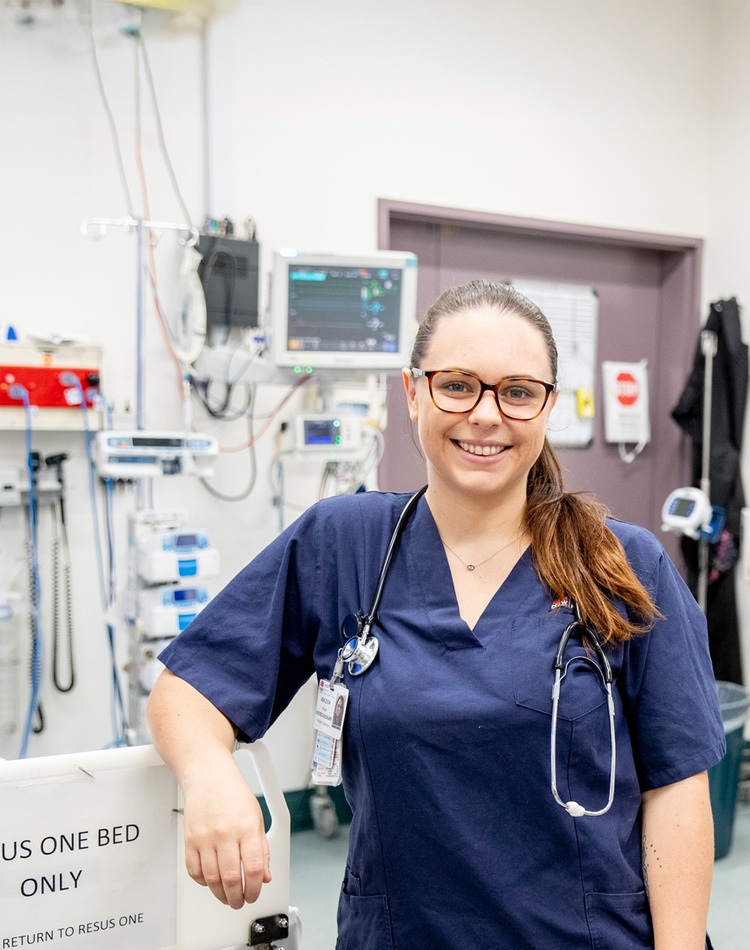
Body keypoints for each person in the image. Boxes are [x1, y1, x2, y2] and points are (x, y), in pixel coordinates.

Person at [147, 279, 726, 950]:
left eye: (517, 391)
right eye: (457, 384)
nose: (486, 415)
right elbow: (185, 690)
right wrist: (210, 774)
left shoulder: (624, 563)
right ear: (413, 392)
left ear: (546, 407)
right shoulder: (343, 543)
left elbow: (677, 787)